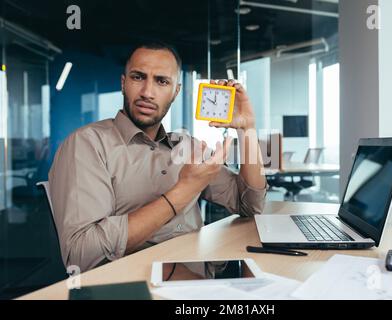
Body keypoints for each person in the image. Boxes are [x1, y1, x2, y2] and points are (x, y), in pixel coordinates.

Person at [49, 42, 267, 272]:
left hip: (200, 280)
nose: (147, 92)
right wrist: (184, 190)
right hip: (138, 286)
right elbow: (81, 254)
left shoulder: (187, 147)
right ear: (123, 83)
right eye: (138, 77)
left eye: (161, 81)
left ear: (176, 91)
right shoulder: (86, 144)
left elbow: (251, 205)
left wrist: (247, 129)